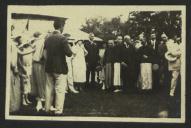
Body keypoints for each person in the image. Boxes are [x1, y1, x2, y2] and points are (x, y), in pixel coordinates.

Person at [43, 20, 73, 115]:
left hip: (48, 67)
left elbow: (44, 54)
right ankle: (58, 110)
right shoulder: (63, 38)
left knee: (48, 89)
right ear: (62, 27)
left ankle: (47, 108)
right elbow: (69, 53)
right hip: (60, 68)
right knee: (60, 90)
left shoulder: (47, 38)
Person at [17, 35, 35, 106]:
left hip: (28, 67)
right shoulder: (20, 49)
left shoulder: (26, 48)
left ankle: (26, 99)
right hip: (23, 68)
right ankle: (23, 100)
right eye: (20, 39)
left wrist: (29, 43)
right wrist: (23, 68)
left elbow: (31, 47)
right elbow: (19, 61)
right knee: (24, 84)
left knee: (27, 84)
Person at [31, 32, 46, 111]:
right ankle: (41, 98)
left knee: (38, 81)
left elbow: (40, 53)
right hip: (39, 63)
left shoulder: (37, 41)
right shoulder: (40, 41)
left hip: (38, 63)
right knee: (40, 81)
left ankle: (41, 98)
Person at [10, 36, 21, 112]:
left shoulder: (11, 44)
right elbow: (13, 60)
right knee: (13, 87)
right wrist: (15, 68)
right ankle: (13, 106)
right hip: (11, 69)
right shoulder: (13, 46)